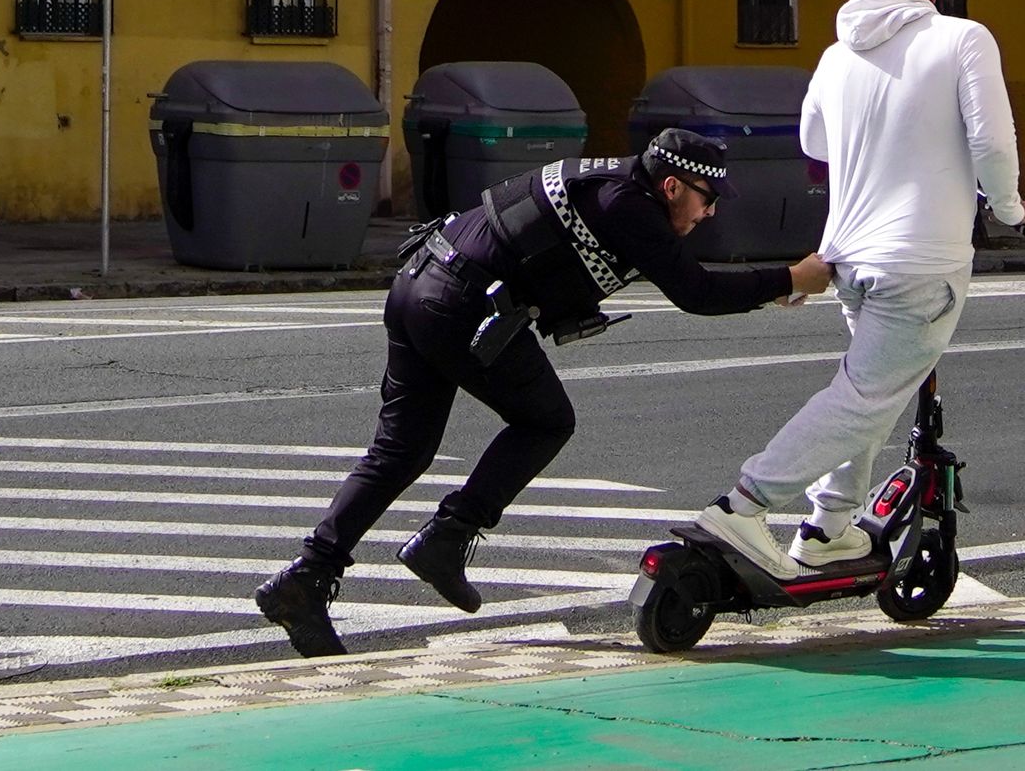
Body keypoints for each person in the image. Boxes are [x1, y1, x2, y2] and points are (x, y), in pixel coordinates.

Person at [256, 128, 833, 657]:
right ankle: (448, 535)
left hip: (420, 284)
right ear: (672, 185)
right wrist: (789, 279)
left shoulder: (612, 184)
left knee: (400, 451)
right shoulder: (627, 206)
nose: (708, 213)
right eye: (706, 198)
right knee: (546, 421)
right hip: (458, 303)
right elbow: (697, 292)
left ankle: (303, 581)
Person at [695, 0, 1025, 579]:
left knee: (870, 391)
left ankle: (828, 528)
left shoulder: (835, 54)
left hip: (849, 254)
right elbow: (992, 141)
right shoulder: (963, 38)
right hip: (920, 259)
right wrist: (1012, 210)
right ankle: (745, 504)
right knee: (865, 395)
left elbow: (814, 141)